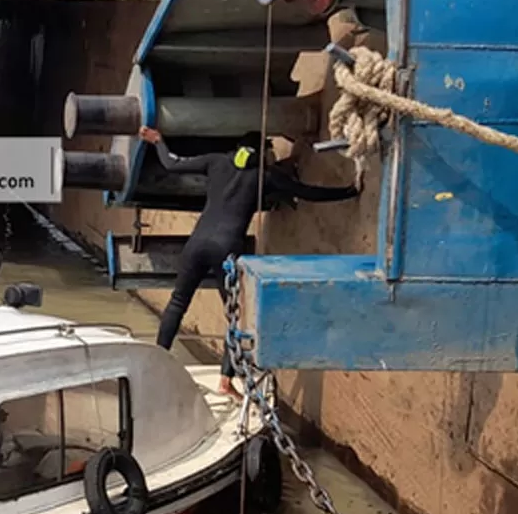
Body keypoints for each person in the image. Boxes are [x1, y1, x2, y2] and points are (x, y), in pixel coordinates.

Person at [139, 126, 359, 395]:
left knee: (177, 302)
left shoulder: (216, 161)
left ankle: (157, 359)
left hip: (196, 244)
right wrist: (348, 191)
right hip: (226, 250)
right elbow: (307, 192)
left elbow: (171, 164)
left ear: (236, 149)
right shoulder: (265, 176)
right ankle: (225, 380)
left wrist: (158, 141)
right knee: (236, 317)